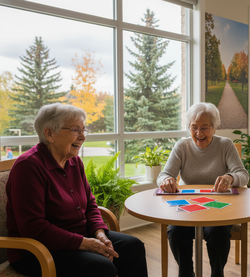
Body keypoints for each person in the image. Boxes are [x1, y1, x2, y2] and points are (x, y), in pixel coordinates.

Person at [6, 103, 148, 277]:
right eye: (75, 130)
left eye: (83, 130)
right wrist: (85, 243)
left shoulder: (74, 162)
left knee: (133, 247)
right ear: (49, 133)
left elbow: (90, 204)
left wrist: (100, 234)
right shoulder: (28, 167)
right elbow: (34, 228)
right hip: (38, 251)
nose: (82, 137)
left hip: (81, 237)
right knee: (102, 267)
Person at [157, 102, 249, 277]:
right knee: (175, 231)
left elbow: (243, 175)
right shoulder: (181, 146)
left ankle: (217, 274)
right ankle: (186, 273)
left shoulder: (226, 145)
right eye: (194, 127)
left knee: (217, 232)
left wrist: (230, 177)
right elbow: (163, 175)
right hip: (188, 207)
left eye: (204, 128)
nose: (199, 133)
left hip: (219, 206)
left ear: (214, 128)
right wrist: (166, 180)